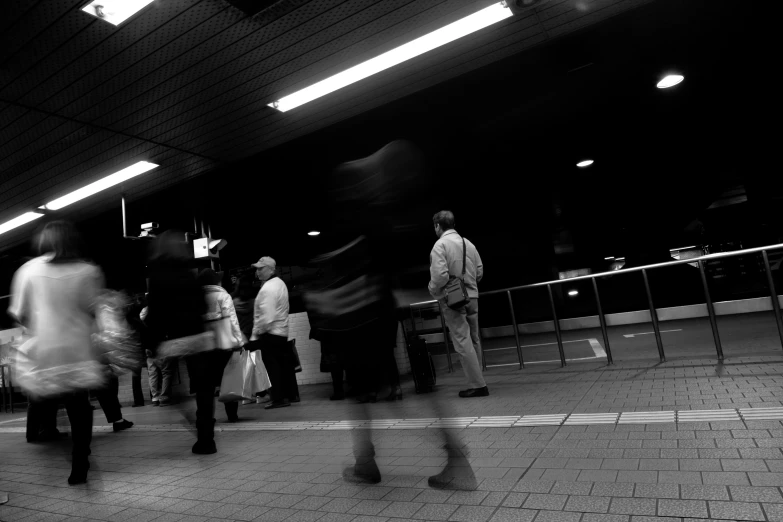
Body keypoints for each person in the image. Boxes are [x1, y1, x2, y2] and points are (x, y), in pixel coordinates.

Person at [305, 140, 476, 490]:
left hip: (358, 321)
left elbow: (344, 272)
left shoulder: (357, 217)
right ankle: (369, 461)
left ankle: (448, 460)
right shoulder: (384, 215)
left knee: (372, 395)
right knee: (386, 393)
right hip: (378, 318)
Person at [8, 220, 103, 485]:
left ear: (43, 242)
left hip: (45, 350)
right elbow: (92, 309)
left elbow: (21, 313)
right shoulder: (88, 270)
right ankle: (80, 461)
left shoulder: (28, 270)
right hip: (77, 350)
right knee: (79, 406)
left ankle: (46, 433)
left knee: (44, 399)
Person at [144, 230, 227, 455]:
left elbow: (156, 311)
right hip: (199, 336)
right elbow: (201, 305)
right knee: (204, 388)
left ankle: (193, 420)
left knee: (174, 386)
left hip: (176, 338)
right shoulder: (188, 270)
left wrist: (152, 340)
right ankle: (206, 437)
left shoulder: (158, 273)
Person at [428, 210, 488, 398]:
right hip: (472, 296)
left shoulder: (440, 246)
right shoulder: (467, 243)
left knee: (462, 340)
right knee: (474, 338)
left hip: (453, 298)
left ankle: (477, 385)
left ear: (438, 226)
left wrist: (433, 290)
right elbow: (479, 271)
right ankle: (479, 380)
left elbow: (440, 277)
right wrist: (469, 283)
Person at [249, 256, 296, 409]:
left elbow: (267, 316)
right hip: (281, 332)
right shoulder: (280, 283)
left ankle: (279, 398)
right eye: (257, 268)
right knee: (282, 366)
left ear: (271, 269)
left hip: (270, 333)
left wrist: (256, 334)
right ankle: (288, 395)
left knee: (272, 368)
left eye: (261, 268)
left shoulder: (268, 288)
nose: (258, 272)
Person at [198, 268, 244, 422]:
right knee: (229, 378)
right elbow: (231, 320)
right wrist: (239, 341)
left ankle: (206, 417)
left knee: (207, 383)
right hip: (223, 344)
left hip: (204, 345)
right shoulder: (223, 296)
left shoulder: (197, 297)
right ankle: (232, 415)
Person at [231, 274, 271, 402]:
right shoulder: (255, 300)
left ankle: (247, 397)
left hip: (241, 338)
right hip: (255, 337)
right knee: (258, 366)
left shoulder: (233, 301)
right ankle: (261, 394)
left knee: (245, 367)